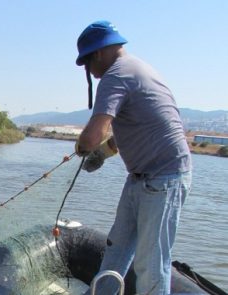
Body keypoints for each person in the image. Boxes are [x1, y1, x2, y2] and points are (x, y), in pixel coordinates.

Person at [74, 21, 192, 295]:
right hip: (141, 177)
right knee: (116, 250)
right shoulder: (137, 68)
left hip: (164, 178)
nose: (89, 71)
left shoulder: (116, 75)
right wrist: (105, 152)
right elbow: (138, 129)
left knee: (151, 264)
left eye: (87, 64)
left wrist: (85, 147)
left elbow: (90, 138)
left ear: (98, 54)